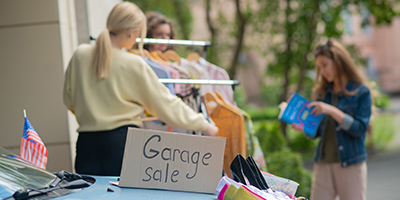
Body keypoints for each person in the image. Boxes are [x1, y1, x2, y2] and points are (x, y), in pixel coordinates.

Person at [63, 2, 218, 176]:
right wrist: (204, 124)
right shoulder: (133, 63)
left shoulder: (79, 55)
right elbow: (164, 104)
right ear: (131, 31)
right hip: (123, 145)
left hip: (86, 146)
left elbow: (68, 100)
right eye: (139, 32)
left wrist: (93, 113)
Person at [291, 39, 372, 200]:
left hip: (350, 164)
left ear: (338, 61)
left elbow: (360, 129)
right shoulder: (322, 93)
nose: (321, 71)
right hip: (323, 164)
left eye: (324, 65)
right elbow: (318, 132)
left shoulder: (361, 92)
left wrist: (331, 110)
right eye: (318, 67)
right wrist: (304, 128)